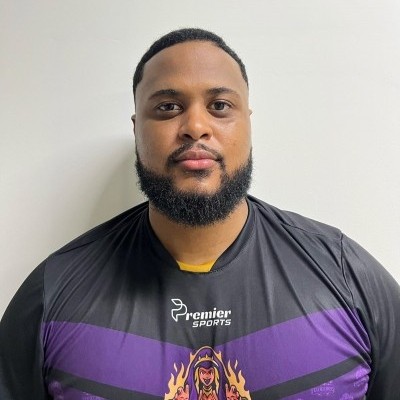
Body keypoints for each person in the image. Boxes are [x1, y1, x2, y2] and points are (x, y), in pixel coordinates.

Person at [0, 28, 399, 400]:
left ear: (247, 125)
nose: (195, 126)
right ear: (137, 129)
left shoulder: (347, 277)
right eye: (168, 107)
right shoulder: (52, 296)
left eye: (220, 106)